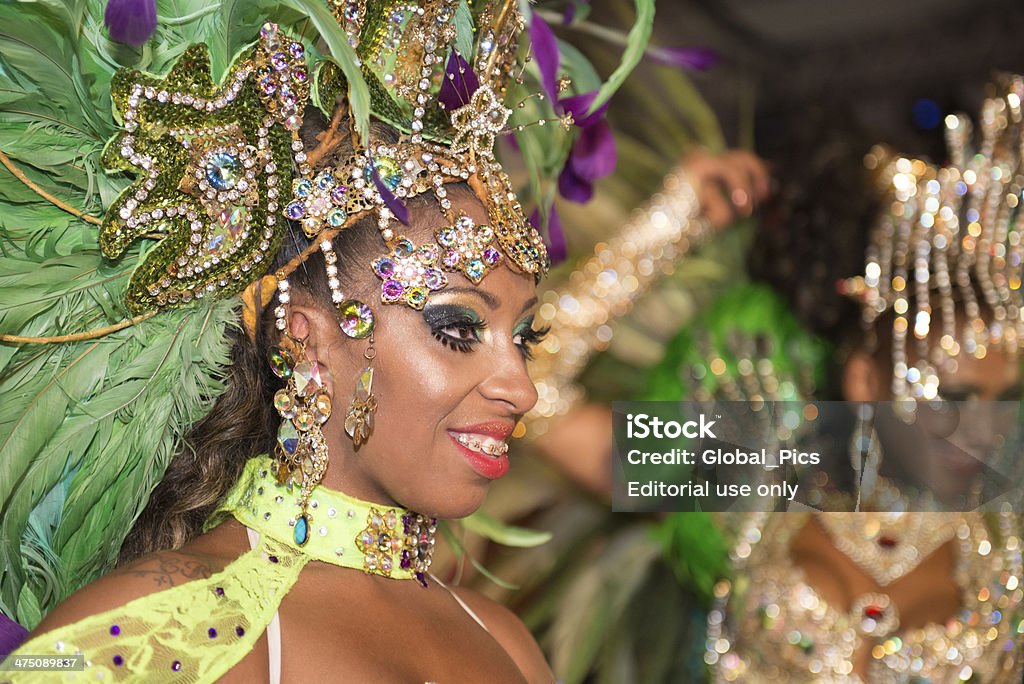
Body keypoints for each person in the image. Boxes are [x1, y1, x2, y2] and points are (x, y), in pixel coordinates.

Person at [0, 1, 653, 680]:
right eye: (458, 328)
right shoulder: (147, 628)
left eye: (525, 337)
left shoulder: (505, 640)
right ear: (305, 339)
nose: (521, 387)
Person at [705, 81, 1024, 682]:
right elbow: (545, 398)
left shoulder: (1008, 554)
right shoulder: (754, 484)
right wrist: (678, 214)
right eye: (951, 398)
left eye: (1000, 400)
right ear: (861, 380)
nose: (984, 430)